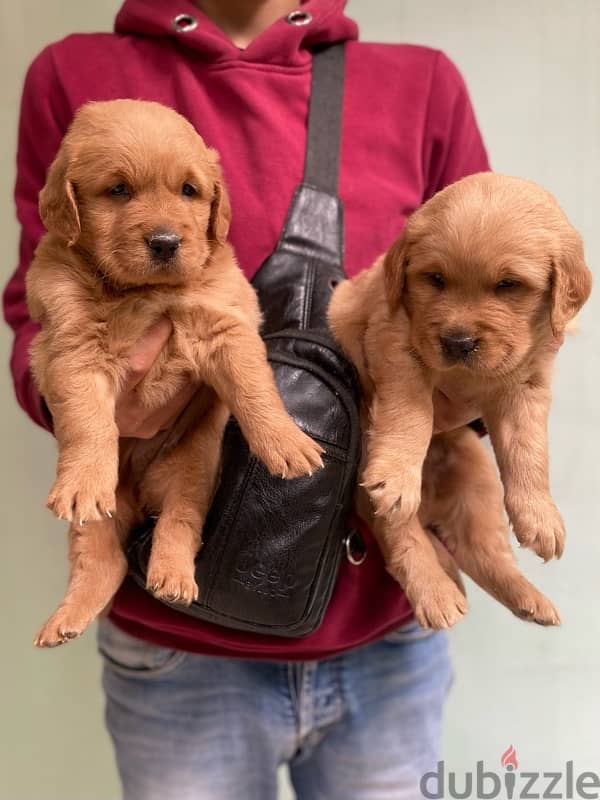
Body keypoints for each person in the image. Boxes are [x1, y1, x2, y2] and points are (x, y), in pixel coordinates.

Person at [4, 1, 490, 797]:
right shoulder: (75, 75)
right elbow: (38, 302)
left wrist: (451, 398)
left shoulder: (423, 84)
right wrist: (94, 409)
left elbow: (477, 303)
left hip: (386, 631)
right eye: (120, 192)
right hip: (174, 651)